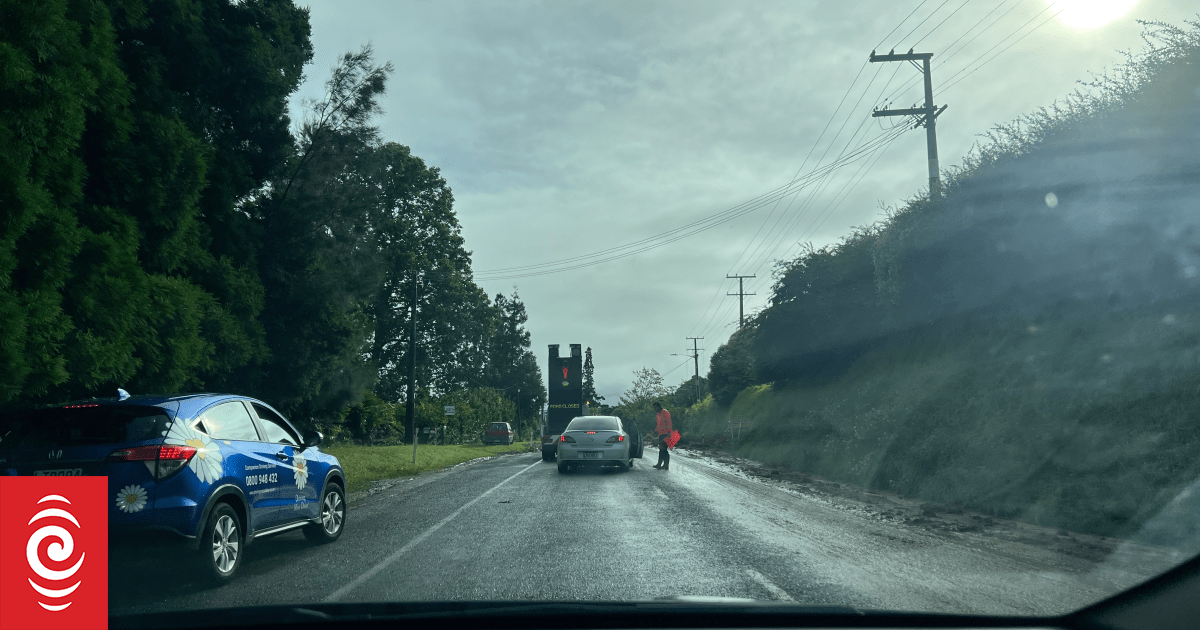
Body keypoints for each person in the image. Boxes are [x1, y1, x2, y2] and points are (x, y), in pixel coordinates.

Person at [652, 402, 672, 470]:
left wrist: (669, 433)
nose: (654, 409)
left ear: (658, 407)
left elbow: (669, 423)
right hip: (661, 433)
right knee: (661, 449)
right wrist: (655, 432)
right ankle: (660, 464)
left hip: (666, 433)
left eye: (655, 407)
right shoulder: (658, 414)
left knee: (663, 449)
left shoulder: (665, 412)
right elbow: (659, 424)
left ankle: (665, 465)